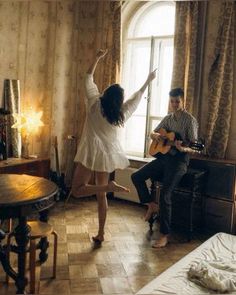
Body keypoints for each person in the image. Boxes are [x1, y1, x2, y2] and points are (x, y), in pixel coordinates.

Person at [71, 49, 157, 244]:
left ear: (105, 94)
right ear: (118, 101)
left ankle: (107, 187)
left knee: (77, 190)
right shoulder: (120, 115)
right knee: (102, 196)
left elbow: (88, 77)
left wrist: (97, 58)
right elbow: (136, 99)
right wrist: (148, 81)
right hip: (107, 154)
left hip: (90, 151)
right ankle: (101, 232)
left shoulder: (94, 103)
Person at [131, 88, 198, 248]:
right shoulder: (168, 119)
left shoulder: (190, 121)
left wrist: (184, 149)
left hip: (179, 163)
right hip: (163, 159)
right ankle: (150, 204)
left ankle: (164, 235)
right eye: (172, 101)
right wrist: (156, 136)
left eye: (177, 101)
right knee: (136, 176)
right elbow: (153, 133)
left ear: (183, 101)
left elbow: (195, 147)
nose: (174, 104)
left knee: (165, 195)